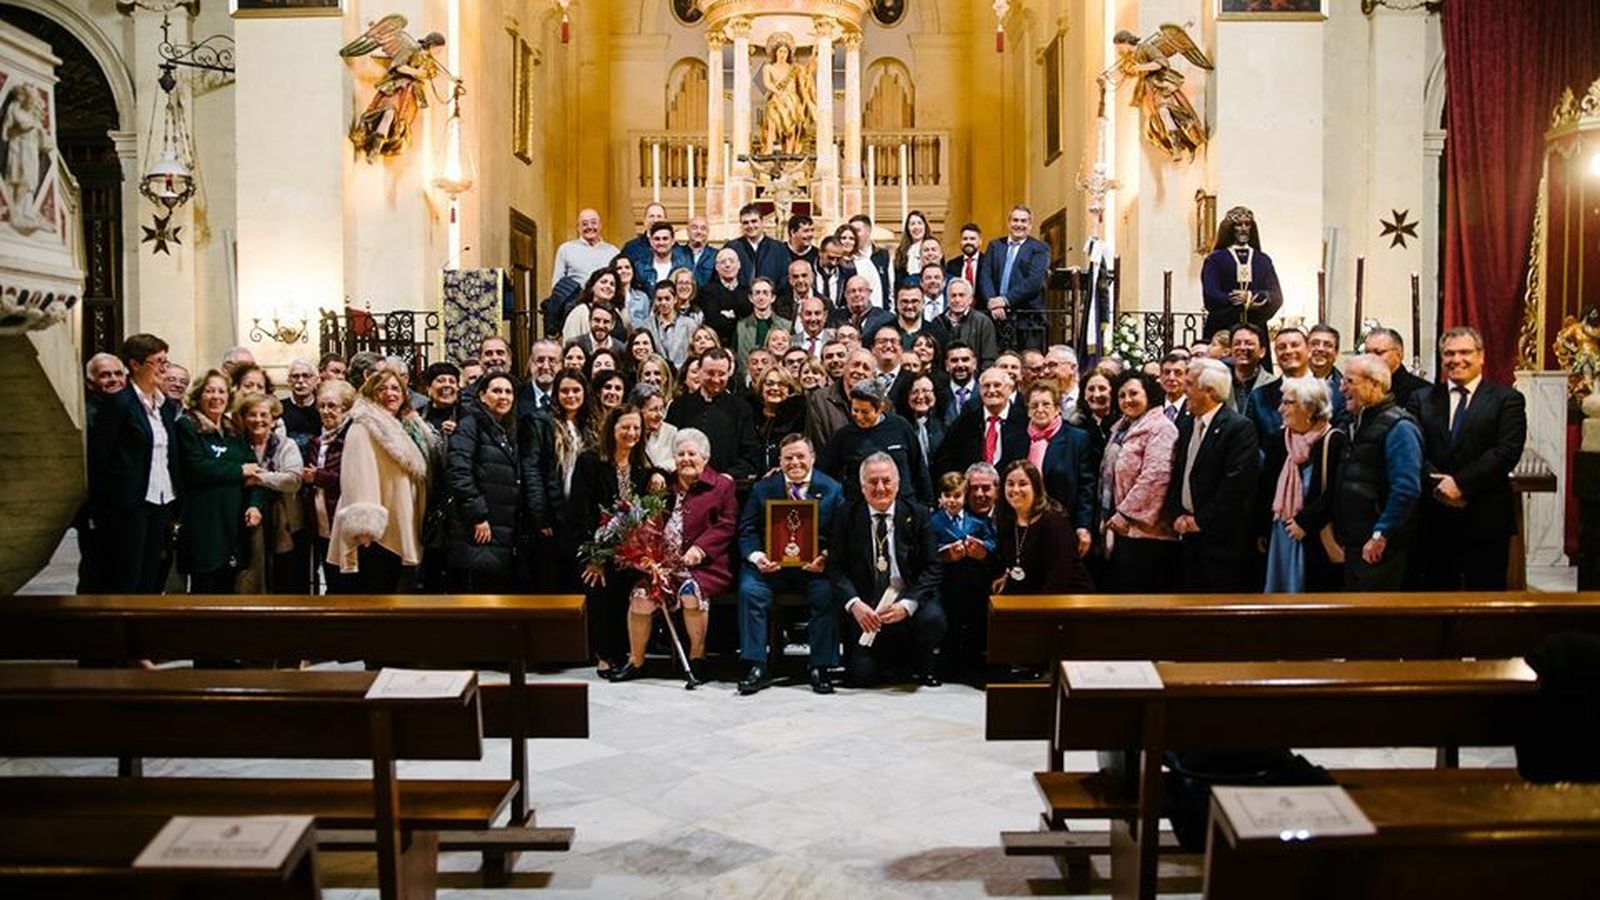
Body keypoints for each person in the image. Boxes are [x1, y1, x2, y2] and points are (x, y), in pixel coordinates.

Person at [1406, 326, 1527, 591]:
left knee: (1485, 607)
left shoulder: (1507, 399)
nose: (1456, 359)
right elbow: (1412, 450)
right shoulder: (1421, 399)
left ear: (1481, 356)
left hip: (1485, 517)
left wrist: (1460, 483)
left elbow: (1506, 451)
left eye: (1465, 352)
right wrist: (1439, 486)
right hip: (1433, 517)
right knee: (1434, 603)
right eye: (1449, 353)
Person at [621, 428, 735, 687]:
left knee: (691, 593)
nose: (686, 458)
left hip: (704, 567)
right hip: (664, 567)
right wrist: (646, 555)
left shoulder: (722, 486)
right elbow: (646, 522)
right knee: (640, 599)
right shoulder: (664, 485)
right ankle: (635, 661)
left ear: (705, 457)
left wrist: (700, 549)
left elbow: (727, 524)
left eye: (692, 453)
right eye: (680, 454)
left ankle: (697, 657)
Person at [737, 434, 846, 695]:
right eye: (788, 458)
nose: (795, 462)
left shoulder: (832, 488)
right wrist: (757, 557)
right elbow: (747, 530)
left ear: (813, 458)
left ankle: (820, 666)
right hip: (770, 565)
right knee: (750, 590)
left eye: (800, 456)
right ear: (780, 461)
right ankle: (757, 666)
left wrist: (826, 556)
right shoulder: (763, 488)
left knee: (828, 593)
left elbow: (841, 534)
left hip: (814, 567)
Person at [829, 453, 945, 687]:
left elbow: (932, 567)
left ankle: (919, 663)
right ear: (862, 487)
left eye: (886, 480)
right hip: (867, 607)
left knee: (933, 617)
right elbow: (836, 568)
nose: (880, 488)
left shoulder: (918, 514)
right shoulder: (846, 515)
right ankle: (884, 660)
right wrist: (855, 604)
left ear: (898, 483)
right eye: (872, 482)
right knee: (862, 678)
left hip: (905, 601)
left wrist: (907, 605)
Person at [85, 333, 180, 594]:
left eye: (165, 361)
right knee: (127, 575)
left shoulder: (165, 406)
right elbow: (100, 457)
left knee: (153, 572)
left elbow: (169, 455)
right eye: (157, 362)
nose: (164, 368)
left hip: (162, 499)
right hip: (130, 504)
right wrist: (98, 508)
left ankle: (146, 626)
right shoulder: (120, 403)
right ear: (135, 365)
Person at [572, 404, 660, 679]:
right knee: (599, 588)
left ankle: (628, 653)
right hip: (596, 546)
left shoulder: (642, 465)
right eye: (625, 427)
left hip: (630, 550)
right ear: (612, 429)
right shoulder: (590, 461)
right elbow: (580, 511)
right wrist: (595, 558)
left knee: (631, 589)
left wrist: (660, 475)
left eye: (636, 428)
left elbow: (652, 501)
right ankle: (604, 654)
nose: (631, 433)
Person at [329, 369, 431, 592]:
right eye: (382, 389)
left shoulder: (406, 427)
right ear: (371, 394)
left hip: (402, 518)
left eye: (395, 388)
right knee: (376, 589)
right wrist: (365, 527)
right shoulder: (363, 426)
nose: (390, 393)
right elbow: (358, 475)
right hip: (377, 531)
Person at [1167, 357, 1260, 591]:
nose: (1182, 389)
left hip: (1221, 542)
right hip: (1187, 536)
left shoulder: (1239, 428)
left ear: (1208, 390)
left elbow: (1236, 485)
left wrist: (1200, 520)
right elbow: (1178, 473)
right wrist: (1177, 513)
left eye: (1188, 384)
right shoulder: (1187, 424)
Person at [1333, 353, 1423, 590]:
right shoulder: (1353, 422)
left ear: (1374, 384)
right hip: (1353, 542)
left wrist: (1380, 534)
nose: (1342, 389)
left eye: (1350, 381)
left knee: (1375, 621)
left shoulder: (1400, 426)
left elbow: (1406, 488)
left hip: (1379, 545)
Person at [446, 371, 542, 590]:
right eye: (497, 391)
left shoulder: (506, 428)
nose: (504, 397)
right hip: (479, 526)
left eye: (508, 392)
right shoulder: (470, 425)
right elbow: (459, 472)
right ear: (482, 396)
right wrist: (477, 515)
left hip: (502, 525)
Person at [175, 369, 263, 593]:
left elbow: (254, 472)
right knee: (204, 589)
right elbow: (195, 467)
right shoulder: (187, 426)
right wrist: (238, 470)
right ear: (198, 395)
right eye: (209, 391)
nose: (216, 397)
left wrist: (254, 504)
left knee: (229, 586)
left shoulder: (234, 428)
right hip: (204, 520)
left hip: (233, 521)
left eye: (221, 391)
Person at [1260, 376, 1347, 593]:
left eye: (1288, 403)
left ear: (1310, 408)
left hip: (1312, 535)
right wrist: (1262, 530)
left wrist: (1305, 522)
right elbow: (1265, 488)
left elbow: (1335, 492)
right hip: (1280, 534)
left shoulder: (1334, 441)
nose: (1281, 409)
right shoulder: (1279, 439)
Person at [1100, 371, 1180, 593]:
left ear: (1149, 395)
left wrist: (1125, 514)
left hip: (1148, 533)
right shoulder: (1121, 428)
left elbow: (1156, 476)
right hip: (1123, 529)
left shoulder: (1161, 428)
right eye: (1122, 395)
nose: (1127, 400)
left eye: (1133, 393)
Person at [1009, 381, 1097, 558]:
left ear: (1058, 408)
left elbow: (1086, 488)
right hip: (1023, 525)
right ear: (1027, 410)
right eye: (1034, 405)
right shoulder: (1016, 439)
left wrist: (1083, 526)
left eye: (1046, 404)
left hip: (1063, 525)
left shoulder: (1077, 439)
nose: (1040, 409)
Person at [232, 393, 307, 594]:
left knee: (285, 579)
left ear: (273, 419)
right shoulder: (235, 444)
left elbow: (293, 481)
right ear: (244, 417)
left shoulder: (286, 445)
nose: (258, 420)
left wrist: (259, 477)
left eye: (264, 415)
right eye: (252, 414)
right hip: (245, 520)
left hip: (285, 521)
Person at [817, 380, 933, 507]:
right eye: (855, 410)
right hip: (861, 510)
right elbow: (824, 473)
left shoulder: (901, 427)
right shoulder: (844, 436)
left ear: (880, 408)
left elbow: (919, 468)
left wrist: (927, 503)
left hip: (903, 506)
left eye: (865, 412)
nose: (859, 416)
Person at [993, 459, 1095, 594]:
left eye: (1023, 484)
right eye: (1010, 484)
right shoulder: (1007, 522)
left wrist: (1036, 612)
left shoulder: (1054, 523)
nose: (1015, 490)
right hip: (1034, 598)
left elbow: (1059, 577)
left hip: (1068, 599)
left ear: (1036, 488)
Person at [665, 348, 760, 478]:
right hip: (685, 483)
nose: (716, 380)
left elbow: (750, 454)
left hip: (727, 485)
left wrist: (727, 477)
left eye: (721, 374)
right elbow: (669, 448)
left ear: (729, 374)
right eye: (710, 373)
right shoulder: (679, 406)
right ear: (699, 371)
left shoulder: (741, 408)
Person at [1200, 206, 1283, 339]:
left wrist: (1251, 296)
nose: (1243, 229)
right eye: (1239, 225)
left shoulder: (1263, 260)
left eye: (1247, 224)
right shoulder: (1214, 260)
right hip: (1223, 329)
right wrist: (1238, 300)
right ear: (1230, 228)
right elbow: (1211, 294)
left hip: (1255, 329)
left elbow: (1276, 296)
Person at [305, 379, 355, 593]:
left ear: (346, 408)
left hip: (343, 520)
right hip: (320, 520)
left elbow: (350, 478)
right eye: (322, 406)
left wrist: (318, 477)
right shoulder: (317, 441)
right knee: (331, 580)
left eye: (332, 406)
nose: (326, 411)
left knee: (348, 584)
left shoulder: (352, 438)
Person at [978, 205, 1051, 350]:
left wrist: (1005, 300)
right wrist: (992, 301)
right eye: (1015, 220)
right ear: (1008, 223)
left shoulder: (1039, 248)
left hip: (1027, 320)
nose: (1019, 225)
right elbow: (985, 276)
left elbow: (1034, 282)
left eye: (1023, 221)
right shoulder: (995, 245)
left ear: (1030, 225)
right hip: (996, 317)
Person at [937, 366, 1026, 477]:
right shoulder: (965, 423)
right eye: (986, 386)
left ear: (1009, 389)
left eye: (997, 385)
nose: (991, 390)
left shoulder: (1024, 421)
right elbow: (945, 459)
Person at [805, 347, 875, 450]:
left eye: (866, 368)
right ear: (845, 367)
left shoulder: (881, 402)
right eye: (855, 365)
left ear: (872, 376)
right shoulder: (820, 400)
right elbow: (816, 444)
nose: (860, 371)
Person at [931, 470, 997, 557]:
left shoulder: (978, 519)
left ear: (965, 498)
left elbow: (992, 542)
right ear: (940, 497)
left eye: (957, 496)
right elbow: (929, 547)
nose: (951, 500)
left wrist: (981, 545)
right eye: (947, 495)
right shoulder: (933, 521)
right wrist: (945, 551)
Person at [753, 367, 806, 474]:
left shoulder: (800, 416)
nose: (775, 388)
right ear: (761, 386)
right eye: (769, 383)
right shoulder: (750, 412)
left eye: (781, 384)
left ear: (789, 389)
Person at [551, 207, 619, 288]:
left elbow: (619, 281)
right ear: (578, 228)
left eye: (594, 223)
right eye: (584, 224)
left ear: (600, 226)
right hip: (576, 300)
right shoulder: (566, 249)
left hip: (607, 299)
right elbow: (557, 282)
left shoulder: (613, 251)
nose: (589, 227)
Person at [1364, 325, 1430, 406]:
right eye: (1367, 353)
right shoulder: (1361, 387)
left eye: (1378, 353)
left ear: (1399, 355)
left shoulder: (1422, 392)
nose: (1371, 358)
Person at [735, 277, 792, 369]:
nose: (761, 297)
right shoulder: (741, 327)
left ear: (773, 297)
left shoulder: (786, 326)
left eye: (765, 293)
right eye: (757, 293)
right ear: (751, 298)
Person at [729, 203, 788, 290]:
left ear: (762, 222)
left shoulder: (778, 248)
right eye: (745, 223)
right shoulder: (733, 248)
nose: (750, 226)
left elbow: (784, 279)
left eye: (754, 221)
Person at [700, 247, 750, 348]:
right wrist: (737, 317)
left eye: (731, 261)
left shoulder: (748, 292)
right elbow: (713, 321)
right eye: (723, 262)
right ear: (717, 267)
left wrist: (727, 315)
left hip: (743, 346)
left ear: (739, 265)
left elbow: (748, 322)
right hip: (718, 346)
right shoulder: (707, 292)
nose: (727, 265)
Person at [560, 268, 622, 344]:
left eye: (612, 284)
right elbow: (569, 343)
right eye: (603, 282)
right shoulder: (580, 312)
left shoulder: (616, 312)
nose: (608, 286)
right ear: (592, 286)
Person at [899, 374, 946, 467]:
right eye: (914, 392)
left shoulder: (945, 425)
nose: (920, 396)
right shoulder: (900, 426)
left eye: (925, 391)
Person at [619, 201, 668, 289]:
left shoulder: (674, 247)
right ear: (644, 220)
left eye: (659, 216)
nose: (655, 220)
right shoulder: (631, 248)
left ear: (665, 220)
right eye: (651, 216)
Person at [632, 382, 679, 472]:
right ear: (637, 410)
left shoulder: (671, 432)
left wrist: (659, 471)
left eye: (661, 409)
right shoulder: (628, 433)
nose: (660, 415)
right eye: (654, 409)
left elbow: (677, 460)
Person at [1226, 324, 1272, 414]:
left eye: (1249, 343)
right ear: (1230, 350)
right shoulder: (1219, 383)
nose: (1242, 348)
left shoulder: (1274, 385)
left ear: (1262, 352)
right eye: (1237, 343)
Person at [281, 358, 321, 449]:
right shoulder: (279, 408)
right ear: (288, 381)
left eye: (306, 376)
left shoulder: (324, 408)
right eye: (295, 376)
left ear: (316, 380)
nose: (300, 381)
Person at [640, 220, 691, 291]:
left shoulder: (684, 265)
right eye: (657, 239)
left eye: (665, 238)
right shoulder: (640, 267)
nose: (661, 242)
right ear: (651, 241)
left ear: (673, 241)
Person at [814, 235, 854, 312]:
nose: (834, 263)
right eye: (830, 258)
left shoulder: (847, 275)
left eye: (838, 259)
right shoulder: (807, 272)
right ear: (820, 253)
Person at [946, 223, 984, 297]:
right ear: (960, 242)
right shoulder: (951, 264)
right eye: (965, 239)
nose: (968, 242)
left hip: (982, 307)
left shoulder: (988, 262)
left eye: (972, 239)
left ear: (980, 241)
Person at [685, 215, 718, 285]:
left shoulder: (716, 255)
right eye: (694, 228)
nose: (699, 231)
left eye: (703, 228)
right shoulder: (677, 253)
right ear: (687, 231)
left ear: (708, 232)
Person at [1157, 351, 1189, 420]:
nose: (1171, 378)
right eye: (1167, 372)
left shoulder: (1194, 408)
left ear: (1187, 376)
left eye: (1178, 373)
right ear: (1160, 376)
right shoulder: (1153, 405)